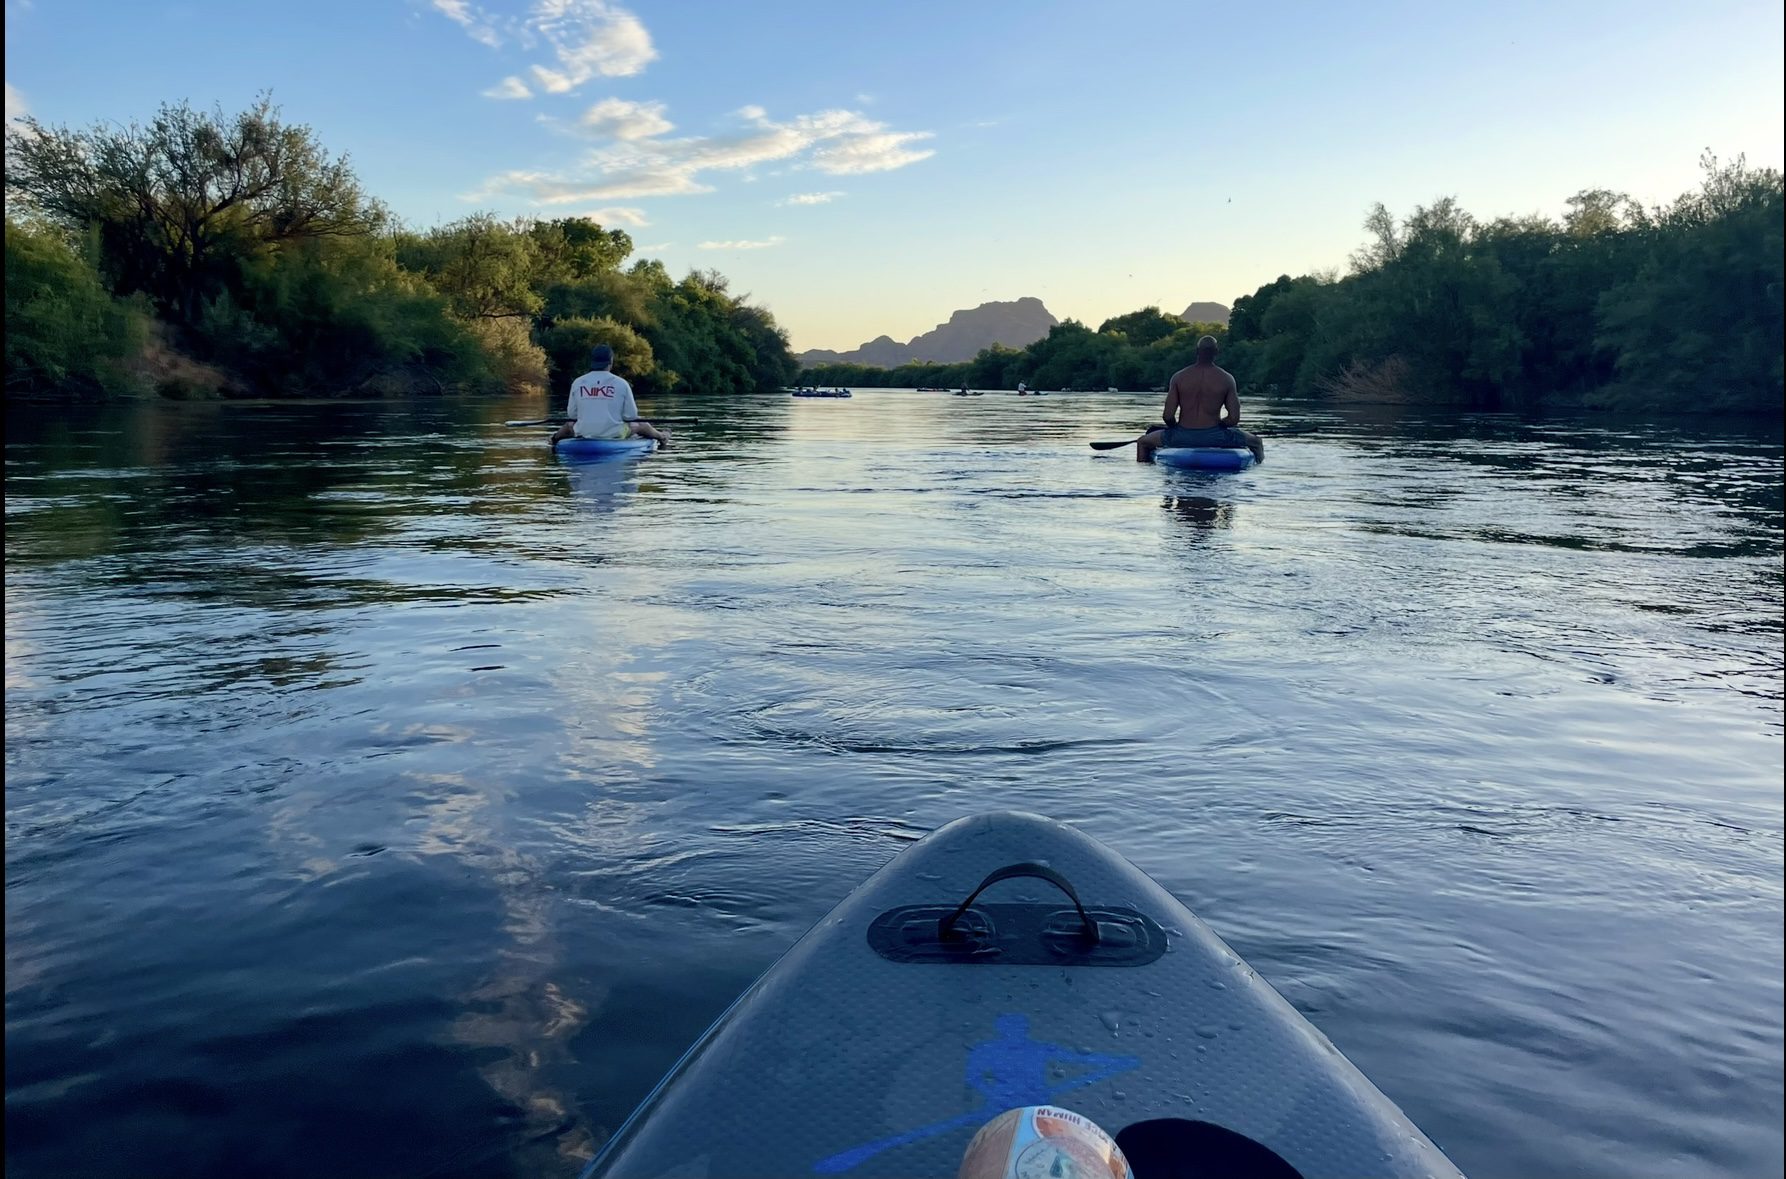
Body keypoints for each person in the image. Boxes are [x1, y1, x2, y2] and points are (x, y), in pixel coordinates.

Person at [1136, 335, 1263, 465]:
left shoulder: (1179, 377)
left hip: (1182, 435)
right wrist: (1219, 425)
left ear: (1196, 352)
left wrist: (1175, 429)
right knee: (1257, 442)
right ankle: (1258, 467)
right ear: (1216, 352)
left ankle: (1145, 472)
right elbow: (1234, 419)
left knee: (1142, 442)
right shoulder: (1227, 379)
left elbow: (1168, 416)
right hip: (1215, 436)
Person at [549, 345, 670, 448]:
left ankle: (553, 439)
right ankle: (662, 436)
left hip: (583, 432)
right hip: (613, 435)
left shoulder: (578, 382)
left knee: (569, 425)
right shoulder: (621, 383)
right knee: (640, 423)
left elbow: (572, 415)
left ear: (592, 361)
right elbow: (631, 416)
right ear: (611, 361)